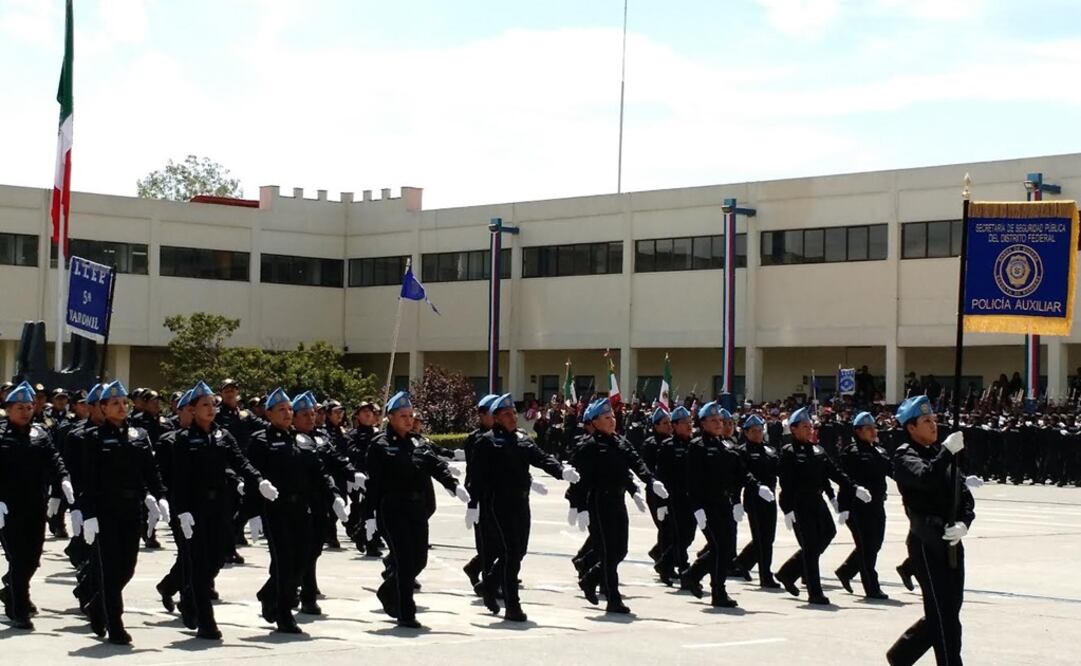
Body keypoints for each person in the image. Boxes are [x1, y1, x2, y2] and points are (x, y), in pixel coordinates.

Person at [171, 381, 278, 640]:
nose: (210, 409)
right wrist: (182, 511)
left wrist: (258, 480)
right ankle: (206, 622)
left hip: (220, 506)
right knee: (198, 563)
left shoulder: (223, 436)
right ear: (192, 410)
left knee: (217, 558)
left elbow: (240, 461)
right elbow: (178, 480)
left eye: (213, 404)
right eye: (204, 405)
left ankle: (189, 598)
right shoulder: (183, 440)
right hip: (195, 509)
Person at [469, 393, 580, 621]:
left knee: (519, 551)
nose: (512, 418)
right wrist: (473, 504)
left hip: (521, 502)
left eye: (513, 413)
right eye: (506, 414)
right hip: (498, 503)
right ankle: (512, 605)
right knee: (511, 552)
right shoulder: (487, 442)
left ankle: (489, 583)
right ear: (497, 418)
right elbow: (477, 477)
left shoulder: (523, 439)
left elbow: (541, 458)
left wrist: (561, 471)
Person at [363, 391, 470, 628]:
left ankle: (387, 589)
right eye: (403, 416)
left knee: (419, 560)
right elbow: (374, 484)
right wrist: (368, 516)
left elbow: (436, 466)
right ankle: (406, 612)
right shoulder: (379, 445)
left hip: (417, 509)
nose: (409, 420)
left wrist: (453, 485)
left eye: (411, 415)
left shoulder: (418, 442)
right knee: (403, 560)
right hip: (392, 509)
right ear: (390, 417)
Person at [887, 396, 975, 666]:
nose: (933, 425)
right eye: (926, 421)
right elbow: (925, 478)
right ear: (911, 427)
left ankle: (902, 654)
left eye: (934, 420)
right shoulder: (905, 455)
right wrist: (946, 452)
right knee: (944, 615)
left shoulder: (942, 452)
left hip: (951, 541)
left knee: (948, 610)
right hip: (926, 542)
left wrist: (964, 523)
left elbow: (964, 495)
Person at [248, 388, 344, 634]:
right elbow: (252, 477)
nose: (288, 414)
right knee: (284, 563)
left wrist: (333, 496)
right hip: (276, 510)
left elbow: (319, 472)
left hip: (302, 509)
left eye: (290, 409)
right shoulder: (261, 440)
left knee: (302, 561)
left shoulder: (304, 439)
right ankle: (283, 615)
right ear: (268, 414)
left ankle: (269, 595)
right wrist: (253, 512)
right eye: (281, 410)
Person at [80, 380, 169, 644]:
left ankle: (97, 605)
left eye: (124, 403)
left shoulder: (139, 435)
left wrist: (159, 495)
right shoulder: (92, 437)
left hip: (132, 509)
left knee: (127, 567)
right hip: (106, 510)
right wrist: (88, 514)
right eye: (115, 404)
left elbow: (150, 471)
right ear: (103, 408)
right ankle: (115, 622)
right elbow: (88, 480)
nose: (121, 408)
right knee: (109, 567)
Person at [571, 397, 668, 614]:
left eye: (613, 417)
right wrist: (578, 507)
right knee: (607, 551)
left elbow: (636, 463)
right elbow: (579, 479)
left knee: (620, 549)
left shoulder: (620, 442)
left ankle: (590, 579)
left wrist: (650, 481)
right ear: (594, 422)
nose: (612, 420)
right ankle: (613, 599)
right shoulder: (589, 446)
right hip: (598, 502)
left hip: (617, 501)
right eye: (606, 418)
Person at [775, 406, 871, 605]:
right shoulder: (788, 452)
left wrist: (852, 488)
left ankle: (788, 571)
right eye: (805, 426)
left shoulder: (817, 450)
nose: (810, 429)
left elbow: (833, 473)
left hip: (817, 501)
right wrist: (787, 509)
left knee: (829, 533)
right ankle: (814, 592)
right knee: (810, 547)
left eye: (811, 426)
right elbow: (786, 484)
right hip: (800, 503)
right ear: (793, 429)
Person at [681, 404, 774, 608]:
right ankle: (718, 591)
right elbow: (692, 481)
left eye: (720, 421)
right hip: (707, 505)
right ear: (703, 423)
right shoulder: (697, 446)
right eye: (713, 421)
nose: (718, 424)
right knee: (719, 547)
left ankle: (692, 575)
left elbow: (741, 472)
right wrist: (697, 507)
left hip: (725, 504)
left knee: (725, 549)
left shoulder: (728, 446)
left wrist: (757, 487)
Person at [0, 381, 74, 630]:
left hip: (35, 504)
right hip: (8, 508)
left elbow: (54, 459)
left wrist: (63, 480)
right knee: (19, 557)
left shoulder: (40, 434)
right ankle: (19, 608)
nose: (25, 411)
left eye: (29, 407)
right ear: (8, 409)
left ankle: (13, 589)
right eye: (19, 407)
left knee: (32, 558)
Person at [835, 411, 891, 600]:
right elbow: (845, 480)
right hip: (857, 507)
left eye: (874, 427)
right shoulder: (851, 452)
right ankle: (871, 587)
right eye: (868, 428)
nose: (873, 431)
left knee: (875, 543)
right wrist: (842, 507)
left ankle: (846, 571)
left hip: (877, 504)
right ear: (858, 431)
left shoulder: (880, 450)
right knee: (866, 546)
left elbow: (893, 471)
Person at [734, 413, 781, 589]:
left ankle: (743, 562)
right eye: (754, 431)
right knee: (762, 538)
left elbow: (780, 470)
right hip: (754, 498)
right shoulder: (742, 451)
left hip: (770, 497)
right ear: (746, 433)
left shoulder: (770, 450)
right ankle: (765, 575)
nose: (758, 434)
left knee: (768, 537)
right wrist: (736, 501)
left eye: (760, 430)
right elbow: (740, 476)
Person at [652, 405, 696, 586]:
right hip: (674, 499)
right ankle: (681, 569)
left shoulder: (694, 445)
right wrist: (661, 502)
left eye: (690, 422)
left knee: (689, 535)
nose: (688, 426)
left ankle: (664, 563)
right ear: (675, 425)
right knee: (679, 535)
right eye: (684, 423)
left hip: (691, 497)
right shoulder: (667, 446)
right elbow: (661, 475)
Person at [462, 394, 499, 591]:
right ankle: (488, 578)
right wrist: (472, 502)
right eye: (493, 413)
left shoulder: (506, 435)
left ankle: (484, 570)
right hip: (481, 494)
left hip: (500, 495)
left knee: (502, 538)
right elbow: (476, 471)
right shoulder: (476, 439)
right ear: (482, 415)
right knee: (486, 539)